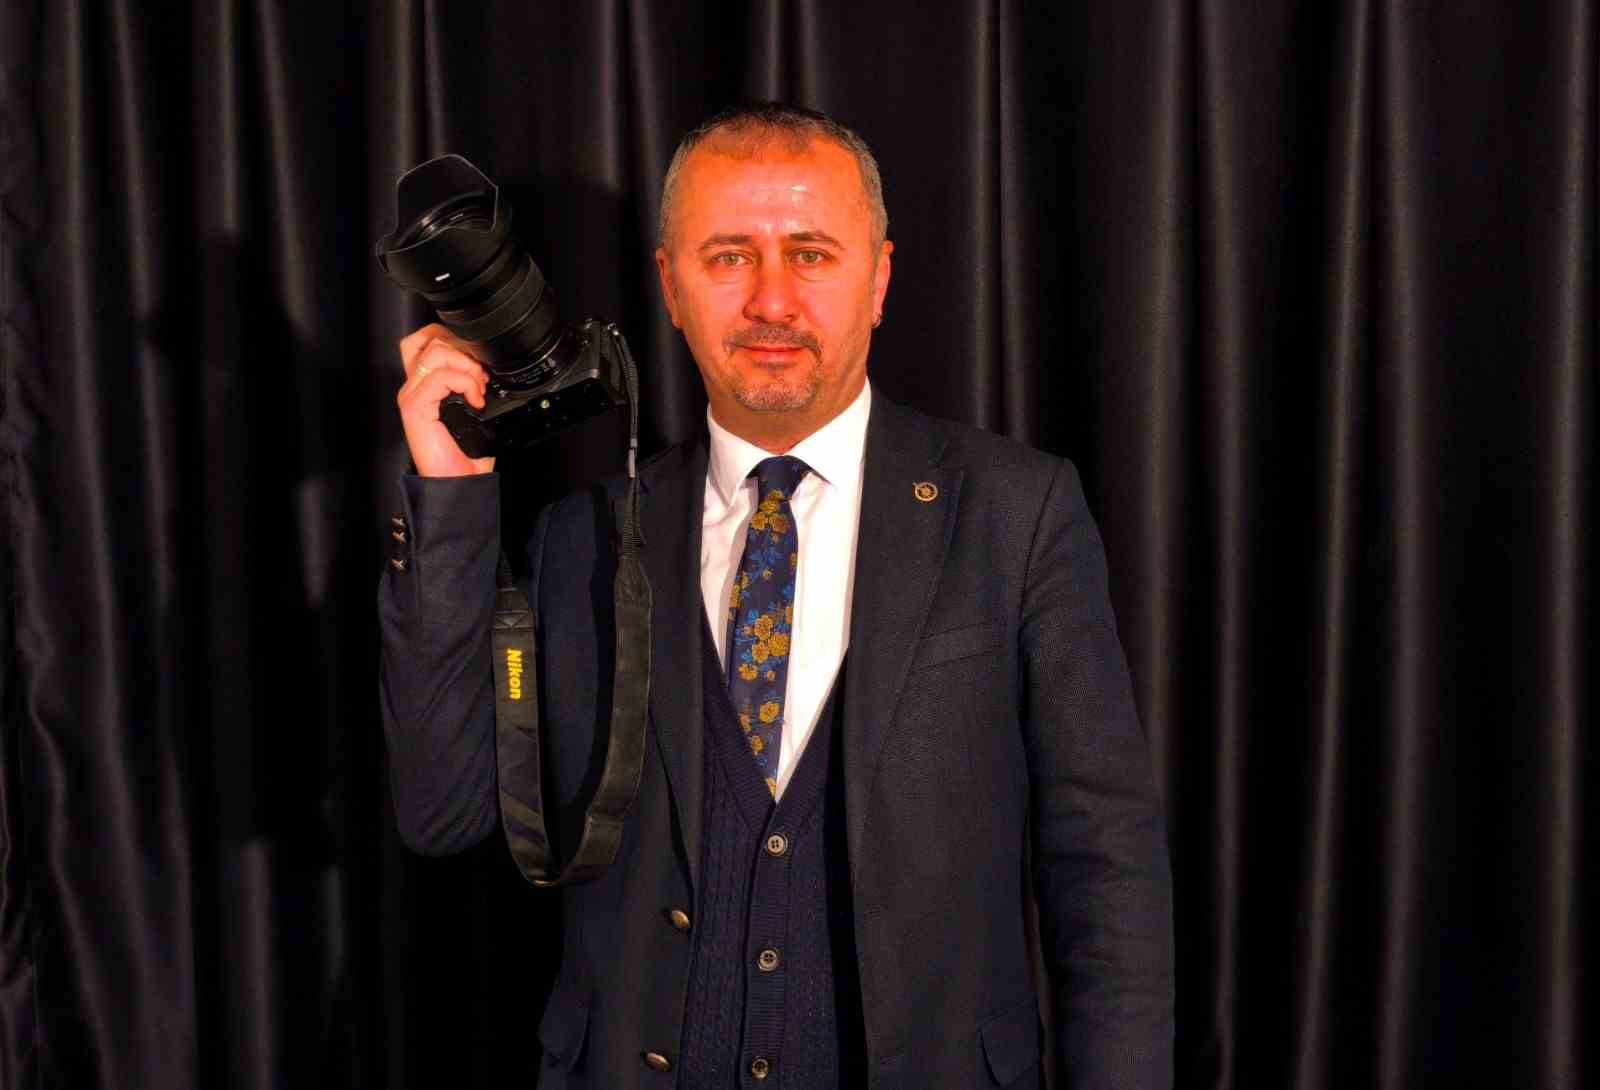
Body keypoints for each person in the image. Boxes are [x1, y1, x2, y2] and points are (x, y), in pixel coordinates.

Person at [379, 102, 1173, 1089]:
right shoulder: (580, 539)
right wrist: (452, 497)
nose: (771, 300)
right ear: (670, 286)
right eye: (728, 257)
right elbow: (442, 814)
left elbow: (1105, 866)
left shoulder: (1017, 513)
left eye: (811, 254)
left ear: (878, 279)